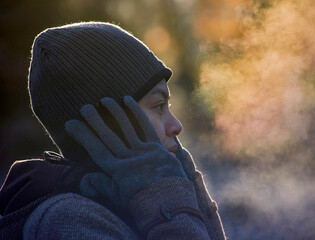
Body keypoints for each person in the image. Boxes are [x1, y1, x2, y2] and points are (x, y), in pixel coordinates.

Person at [0, 22, 226, 239]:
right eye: (158, 106)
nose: (176, 126)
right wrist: (171, 203)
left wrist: (187, 186)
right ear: (108, 121)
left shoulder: (128, 198)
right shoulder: (68, 220)